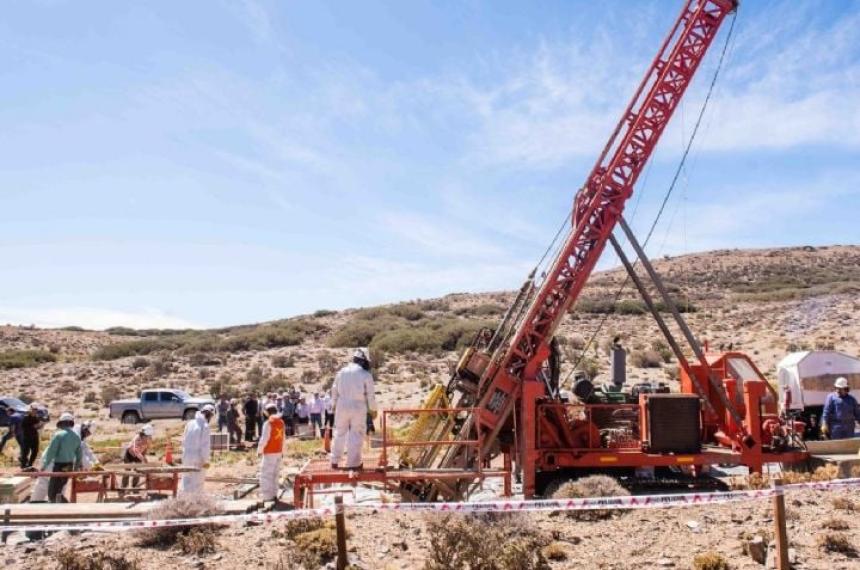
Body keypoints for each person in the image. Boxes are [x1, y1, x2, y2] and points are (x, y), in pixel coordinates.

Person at [330, 348, 377, 470]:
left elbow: (334, 390)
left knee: (339, 432)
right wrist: (373, 409)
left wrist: (333, 405)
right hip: (358, 406)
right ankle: (353, 463)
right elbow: (370, 395)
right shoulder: (365, 375)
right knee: (356, 433)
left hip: (342, 404)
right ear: (363, 361)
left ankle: (334, 461)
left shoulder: (341, 372)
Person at [31, 421, 99, 503]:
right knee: (53, 489)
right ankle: (41, 506)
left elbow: (86, 450)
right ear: (84, 428)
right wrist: (92, 467)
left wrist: (96, 462)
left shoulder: (78, 434)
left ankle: (37, 504)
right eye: (87, 433)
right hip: (53, 464)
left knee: (49, 487)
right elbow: (81, 456)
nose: (87, 435)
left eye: (89, 434)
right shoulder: (75, 435)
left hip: (53, 463)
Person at [41, 412, 82, 503]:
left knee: (52, 493)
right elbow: (79, 456)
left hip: (59, 466)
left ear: (62, 423)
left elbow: (51, 452)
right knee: (58, 491)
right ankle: (62, 508)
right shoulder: (77, 437)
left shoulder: (58, 435)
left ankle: (66, 508)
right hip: (69, 466)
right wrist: (75, 470)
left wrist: (44, 466)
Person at [180, 404, 215, 495]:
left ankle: (183, 501)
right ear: (210, 415)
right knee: (197, 482)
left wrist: (184, 455)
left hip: (186, 456)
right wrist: (206, 460)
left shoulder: (190, 423)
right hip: (198, 458)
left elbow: (183, 441)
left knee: (186, 479)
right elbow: (205, 446)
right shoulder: (205, 426)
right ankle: (195, 503)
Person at [257, 402, 285, 502]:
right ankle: (274, 494)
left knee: (266, 474)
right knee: (275, 474)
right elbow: (283, 439)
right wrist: (282, 452)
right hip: (278, 451)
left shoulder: (268, 423)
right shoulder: (281, 422)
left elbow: (264, 439)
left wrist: (259, 450)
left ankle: (267, 497)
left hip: (269, 452)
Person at [122, 424, 154, 489]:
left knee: (138, 471)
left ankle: (135, 487)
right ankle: (123, 487)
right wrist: (143, 458)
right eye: (147, 436)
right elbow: (135, 450)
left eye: (149, 436)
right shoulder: (137, 438)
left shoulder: (149, 438)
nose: (148, 437)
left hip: (139, 455)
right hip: (129, 454)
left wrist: (144, 456)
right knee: (127, 471)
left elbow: (146, 448)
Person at [19, 404, 44, 469]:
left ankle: (30, 464)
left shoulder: (36, 418)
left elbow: (38, 427)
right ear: (30, 410)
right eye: (33, 410)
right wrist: (33, 426)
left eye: (36, 410)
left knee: (35, 451)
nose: (34, 411)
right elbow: (23, 427)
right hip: (27, 437)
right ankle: (23, 465)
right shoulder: (26, 417)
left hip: (34, 436)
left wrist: (40, 425)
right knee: (26, 451)